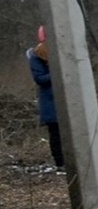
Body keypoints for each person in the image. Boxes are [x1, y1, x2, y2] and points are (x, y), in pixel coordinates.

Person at [27, 26, 64, 169]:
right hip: (51, 100)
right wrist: (57, 73)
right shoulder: (37, 56)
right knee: (56, 134)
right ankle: (60, 163)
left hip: (67, 101)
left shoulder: (63, 51)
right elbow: (40, 79)